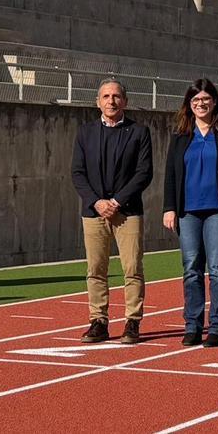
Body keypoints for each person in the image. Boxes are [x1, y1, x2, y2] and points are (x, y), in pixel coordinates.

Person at [162, 78, 218, 348]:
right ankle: (193, 325)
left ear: (214, 101)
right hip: (188, 211)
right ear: (189, 104)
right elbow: (171, 174)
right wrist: (169, 208)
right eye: (196, 100)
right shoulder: (180, 134)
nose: (201, 104)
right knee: (191, 269)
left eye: (205, 99)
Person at [70, 78, 153, 344]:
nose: (111, 101)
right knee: (95, 268)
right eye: (106, 96)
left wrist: (116, 202)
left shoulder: (139, 132)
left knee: (132, 268)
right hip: (93, 212)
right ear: (98, 102)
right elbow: (78, 173)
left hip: (127, 212)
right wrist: (97, 202)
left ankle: (132, 322)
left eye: (116, 96)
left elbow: (143, 173)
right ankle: (98, 321)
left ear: (125, 101)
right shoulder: (85, 133)